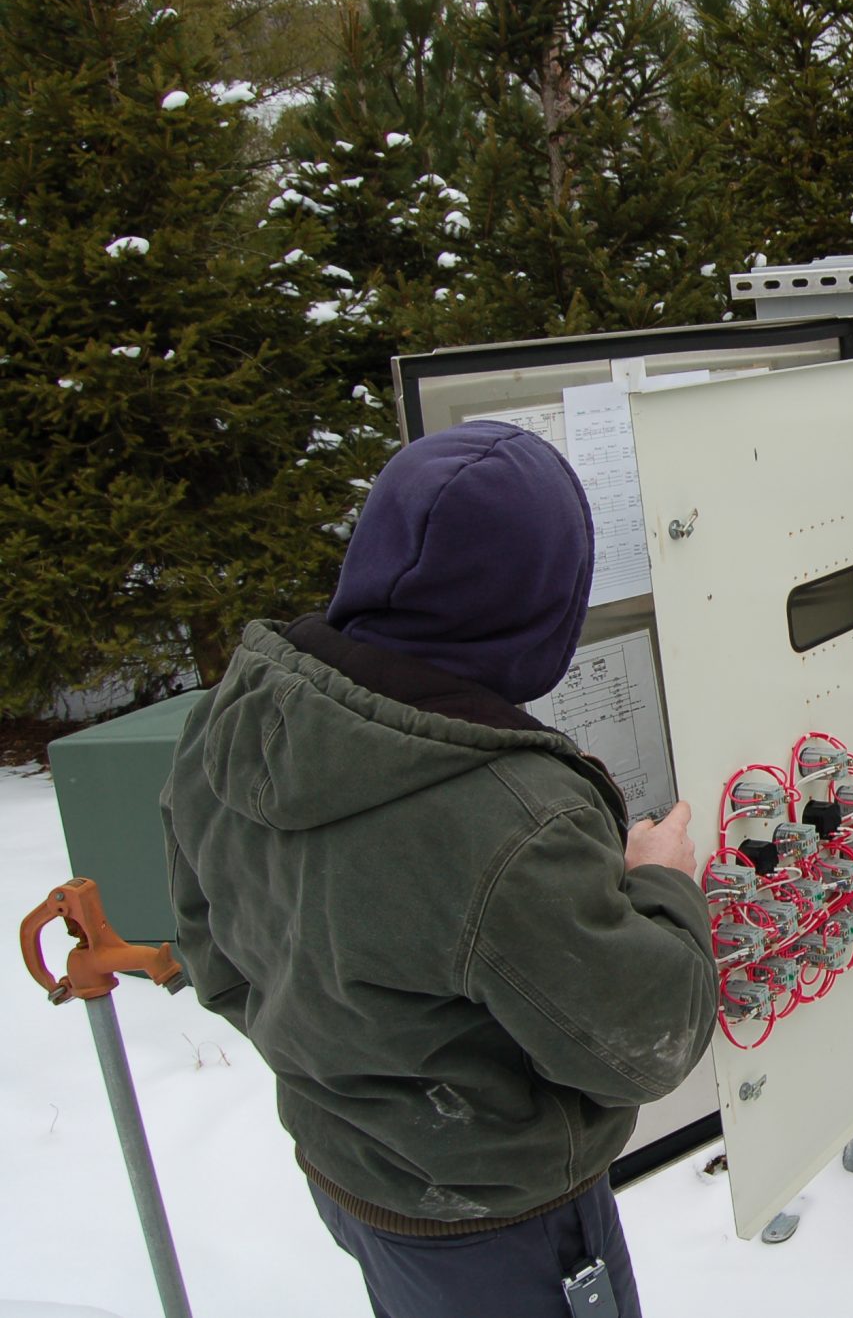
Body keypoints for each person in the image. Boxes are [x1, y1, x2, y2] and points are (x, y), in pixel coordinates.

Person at [162, 420, 716, 1318]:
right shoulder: (512, 817)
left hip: (352, 1176)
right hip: (502, 1227)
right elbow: (647, 1045)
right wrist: (661, 880)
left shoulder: (237, 720)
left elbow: (216, 958)